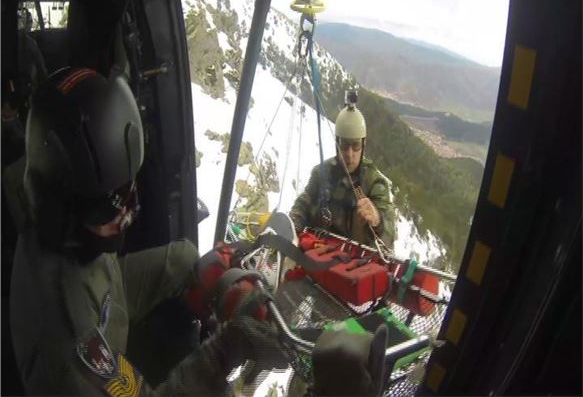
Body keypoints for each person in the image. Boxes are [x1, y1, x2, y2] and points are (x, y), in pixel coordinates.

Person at [9, 67, 283, 395]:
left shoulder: (66, 232)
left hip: (103, 299)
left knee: (185, 259)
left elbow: (106, 279)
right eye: (112, 204)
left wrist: (214, 279)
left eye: (130, 192)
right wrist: (220, 354)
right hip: (93, 347)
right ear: (65, 208)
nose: (128, 213)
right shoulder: (68, 337)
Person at [290, 92, 395, 247]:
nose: (350, 154)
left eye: (356, 146)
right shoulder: (322, 173)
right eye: (344, 145)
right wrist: (292, 226)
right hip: (318, 252)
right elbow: (303, 204)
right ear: (337, 144)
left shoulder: (374, 183)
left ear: (363, 146)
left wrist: (377, 220)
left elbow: (389, 236)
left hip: (352, 263)